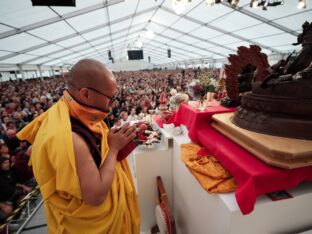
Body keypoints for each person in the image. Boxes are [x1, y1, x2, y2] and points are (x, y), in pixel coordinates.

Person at [17, 59, 140, 233]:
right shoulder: (71, 139)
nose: (111, 104)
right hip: (90, 223)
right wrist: (113, 148)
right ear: (85, 94)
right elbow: (95, 196)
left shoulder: (66, 111)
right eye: (110, 98)